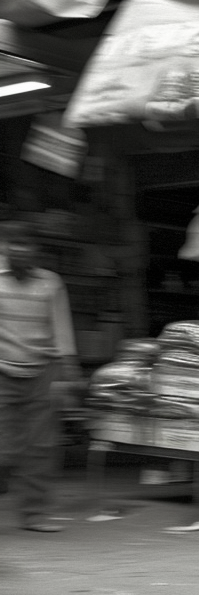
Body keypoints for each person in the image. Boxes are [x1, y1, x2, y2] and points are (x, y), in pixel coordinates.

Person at [0, 219, 81, 533]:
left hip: (42, 372)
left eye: (26, 245)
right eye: (12, 244)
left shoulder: (51, 283)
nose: (19, 250)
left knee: (40, 447)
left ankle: (34, 513)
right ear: (4, 247)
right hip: (2, 371)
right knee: (4, 448)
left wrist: (69, 370)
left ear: (35, 250)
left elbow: (62, 328)